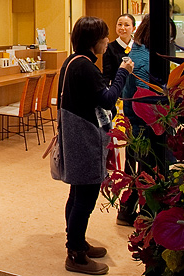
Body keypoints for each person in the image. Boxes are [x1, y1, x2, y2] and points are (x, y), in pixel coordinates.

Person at [58, 16, 134, 275]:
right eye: (103, 37)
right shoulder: (87, 67)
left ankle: (76, 241)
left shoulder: (71, 62)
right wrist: (124, 72)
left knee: (77, 193)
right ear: (94, 41)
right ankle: (77, 254)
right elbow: (107, 99)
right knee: (86, 197)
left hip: (73, 134)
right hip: (85, 137)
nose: (106, 41)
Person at [116, 14, 167, 226]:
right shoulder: (148, 57)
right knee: (147, 168)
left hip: (131, 118)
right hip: (144, 120)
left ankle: (126, 212)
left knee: (132, 166)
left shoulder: (134, 51)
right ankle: (145, 215)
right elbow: (145, 94)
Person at [102, 13, 135, 85]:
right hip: (118, 89)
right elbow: (107, 74)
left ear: (133, 28)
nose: (122, 28)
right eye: (119, 24)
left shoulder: (138, 47)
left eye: (126, 25)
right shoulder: (109, 47)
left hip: (136, 88)